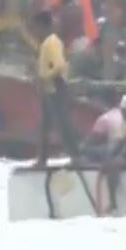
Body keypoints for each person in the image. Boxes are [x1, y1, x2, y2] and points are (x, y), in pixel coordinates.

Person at [34, 9, 78, 166]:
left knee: (62, 123)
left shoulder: (51, 42)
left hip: (56, 86)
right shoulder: (47, 42)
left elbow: (59, 65)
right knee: (45, 125)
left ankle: (76, 156)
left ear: (42, 26)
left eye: (36, 27)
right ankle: (42, 159)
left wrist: (45, 77)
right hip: (49, 88)